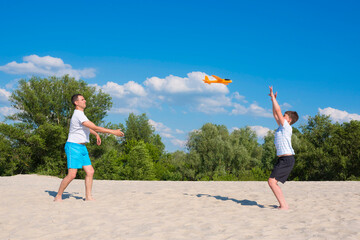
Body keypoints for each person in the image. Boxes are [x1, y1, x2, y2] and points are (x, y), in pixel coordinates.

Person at [54, 94, 124, 202]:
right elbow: (95, 127)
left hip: (82, 147)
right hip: (73, 146)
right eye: (82, 99)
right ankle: (58, 196)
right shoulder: (78, 114)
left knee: (90, 171)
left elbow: (86, 128)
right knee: (72, 174)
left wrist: (95, 134)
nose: (85, 101)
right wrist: (113, 132)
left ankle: (88, 197)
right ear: (76, 103)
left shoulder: (81, 115)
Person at [268, 86, 299, 210]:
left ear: (289, 120)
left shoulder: (287, 127)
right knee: (272, 182)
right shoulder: (281, 127)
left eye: (284, 116)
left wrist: (274, 98)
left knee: (271, 182)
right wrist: (272, 100)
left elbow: (278, 110)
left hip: (287, 159)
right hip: (282, 159)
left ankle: (284, 205)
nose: (282, 117)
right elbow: (275, 114)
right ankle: (283, 205)